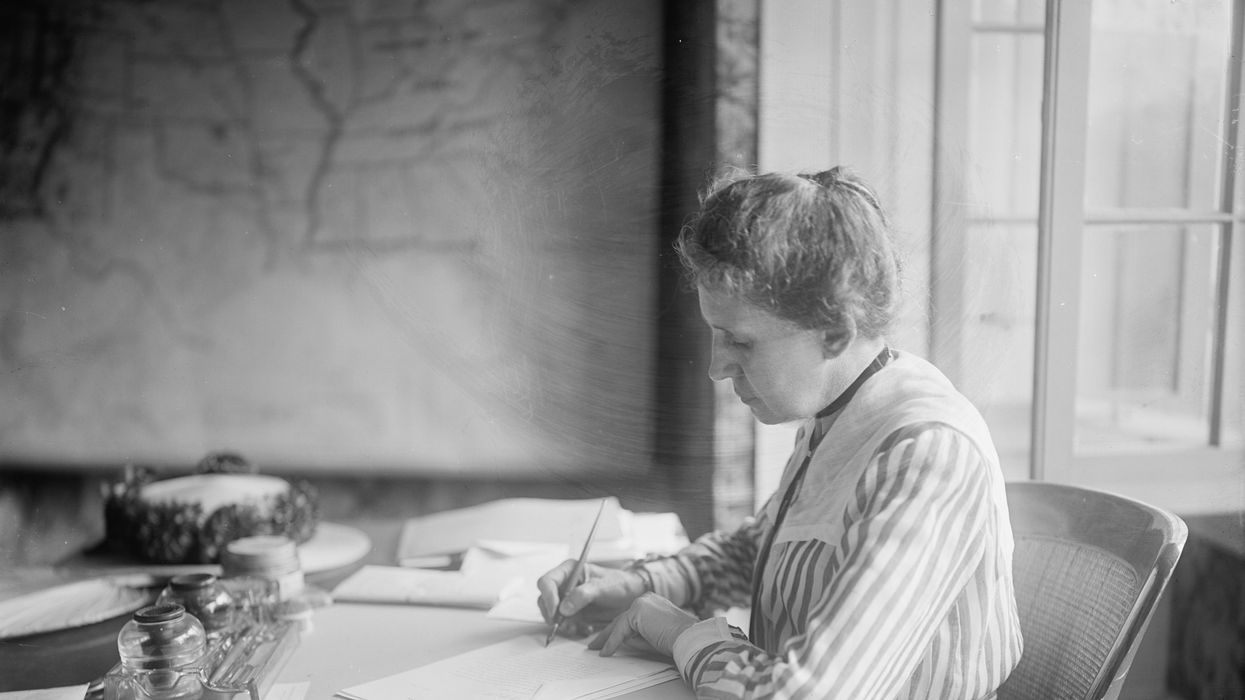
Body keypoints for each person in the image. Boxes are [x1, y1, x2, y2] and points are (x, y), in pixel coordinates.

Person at [536, 167, 1023, 699]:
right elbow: (761, 552)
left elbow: (808, 695)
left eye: (740, 342)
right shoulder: (837, 414)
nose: (716, 369)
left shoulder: (925, 453)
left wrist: (679, 632)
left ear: (835, 331)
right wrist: (641, 585)